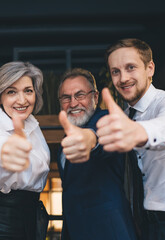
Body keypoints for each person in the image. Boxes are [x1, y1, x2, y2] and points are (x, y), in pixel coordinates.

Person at [97, 38, 165, 240]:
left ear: (150, 69)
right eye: (115, 71)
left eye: (131, 67)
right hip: (148, 225)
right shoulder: (126, 115)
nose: (122, 78)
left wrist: (137, 132)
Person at [0, 61, 50, 239]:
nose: (22, 100)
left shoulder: (31, 123)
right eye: (11, 92)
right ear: (0, 96)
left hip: (29, 219)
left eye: (28, 91)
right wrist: (5, 152)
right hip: (0, 226)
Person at [57, 68, 137, 240]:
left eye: (80, 95)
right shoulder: (66, 139)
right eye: (66, 98)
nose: (73, 103)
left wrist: (91, 140)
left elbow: (101, 137)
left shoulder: (106, 120)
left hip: (110, 232)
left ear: (95, 97)